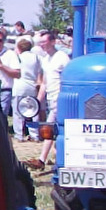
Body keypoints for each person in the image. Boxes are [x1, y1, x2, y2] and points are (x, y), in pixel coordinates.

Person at [34, 30, 72, 170]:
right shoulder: (45, 59)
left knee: (49, 127)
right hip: (50, 99)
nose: (42, 45)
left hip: (60, 99)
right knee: (56, 130)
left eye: (44, 42)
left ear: (53, 42)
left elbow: (68, 78)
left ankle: (41, 160)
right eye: (40, 43)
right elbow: (44, 82)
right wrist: (38, 101)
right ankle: (58, 158)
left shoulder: (62, 57)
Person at [12, 37, 40, 143]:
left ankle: (19, 134)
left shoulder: (18, 57)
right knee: (33, 111)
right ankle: (35, 134)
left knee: (18, 112)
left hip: (20, 85)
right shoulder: (36, 57)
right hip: (31, 85)